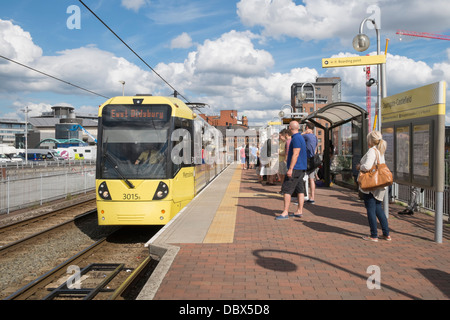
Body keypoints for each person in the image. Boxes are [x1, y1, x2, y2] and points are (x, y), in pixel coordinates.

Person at [356, 131, 391, 242]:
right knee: (378, 208)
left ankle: (374, 235)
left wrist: (359, 166)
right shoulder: (380, 150)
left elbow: (367, 166)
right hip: (380, 184)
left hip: (371, 185)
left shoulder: (372, 151)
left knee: (370, 209)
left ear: (370, 140)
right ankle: (386, 234)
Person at [276, 121, 308, 220]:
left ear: (290, 128)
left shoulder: (296, 139)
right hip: (301, 168)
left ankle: (285, 212)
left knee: (286, 189)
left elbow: (296, 153)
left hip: (295, 168)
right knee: (300, 190)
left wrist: (290, 168)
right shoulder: (300, 137)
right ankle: (299, 211)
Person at [302, 122, 318, 204]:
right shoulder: (315, 137)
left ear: (307, 127)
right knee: (312, 179)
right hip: (313, 160)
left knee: (303, 179)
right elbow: (315, 149)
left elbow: (296, 137)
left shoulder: (306, 135)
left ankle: (304, 197)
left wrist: (304, 132)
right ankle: (312, 198)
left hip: (306, 160)